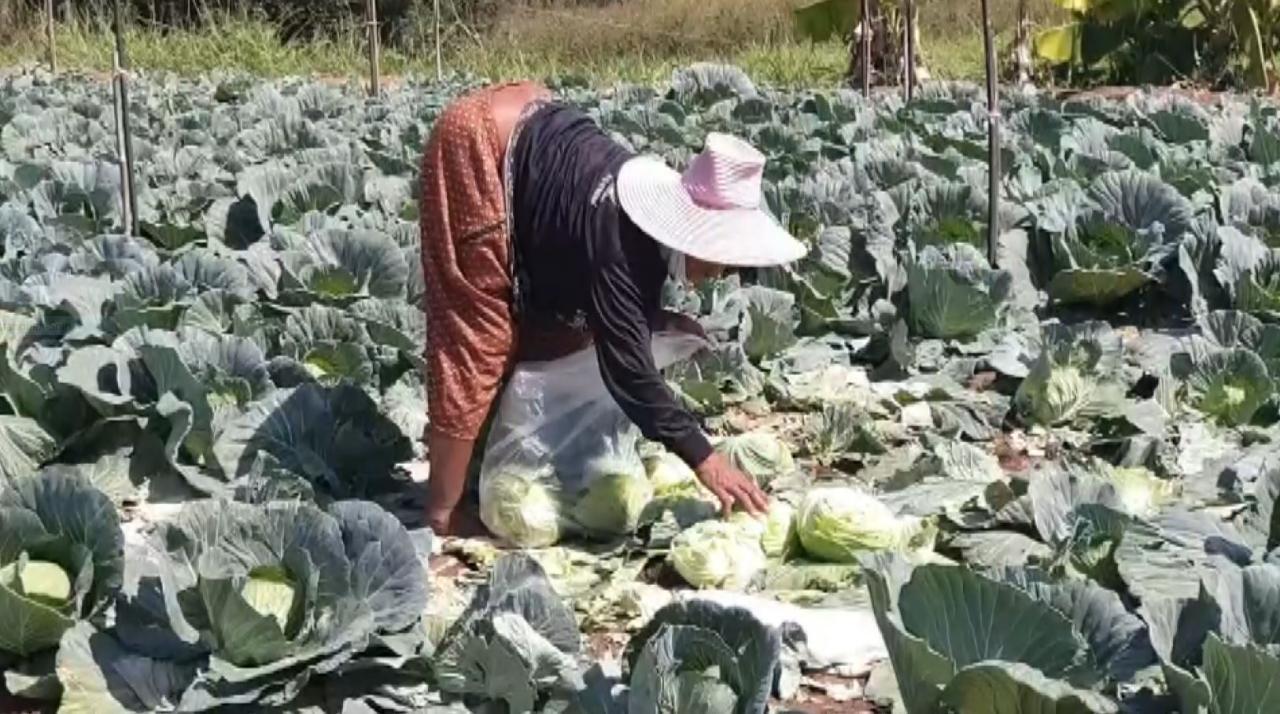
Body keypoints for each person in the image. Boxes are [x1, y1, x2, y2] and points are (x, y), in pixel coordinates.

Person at [419, 81, 807, 537]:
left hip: (530, 117)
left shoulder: (640, 234)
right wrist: (705, 458)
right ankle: (442, 512)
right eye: (721, 256)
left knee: (562, 331)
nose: (721, 273)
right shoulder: (619, 241)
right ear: (695, 235)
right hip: (477, 146)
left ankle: (486, 458)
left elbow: (618, 315)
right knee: (479, 335)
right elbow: (628, 370)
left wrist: (660, 326)